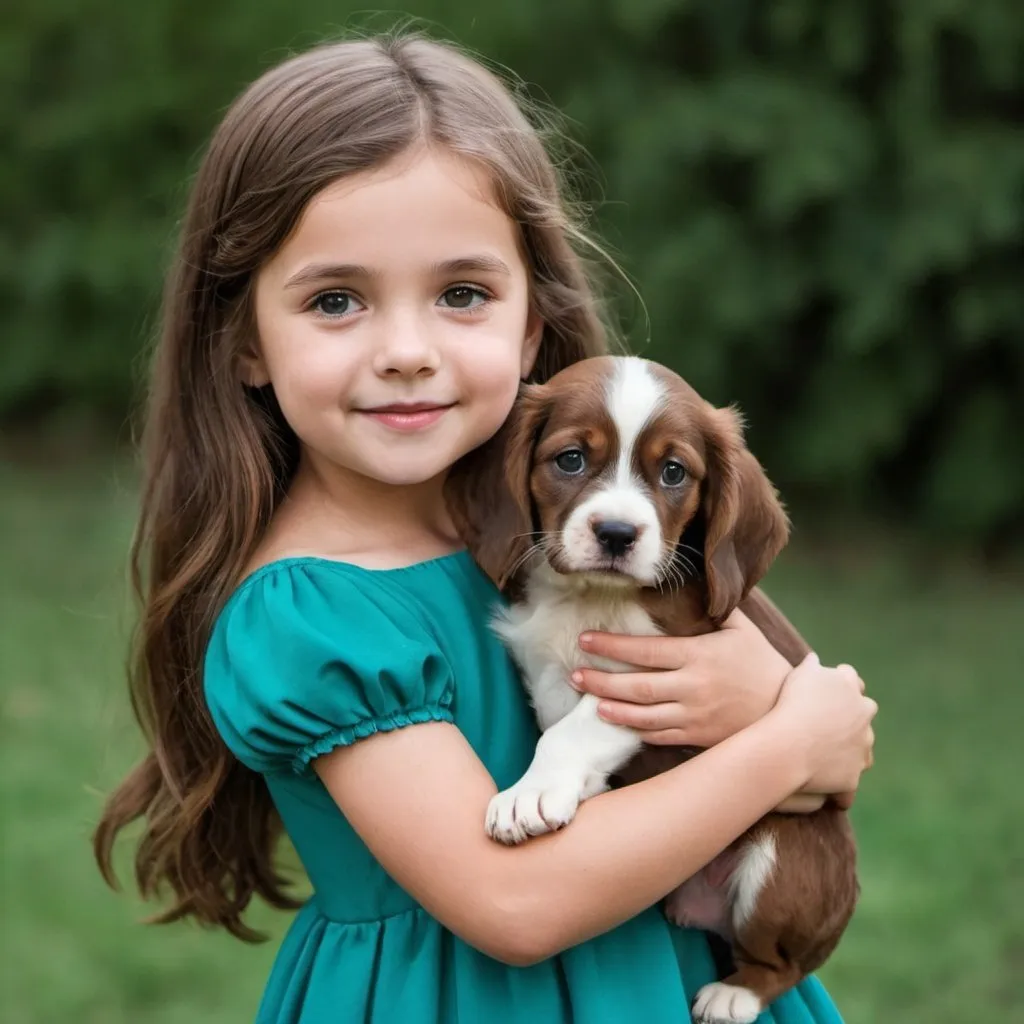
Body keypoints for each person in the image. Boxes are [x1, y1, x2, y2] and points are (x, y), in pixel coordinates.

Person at [94, 32, 877, 1024]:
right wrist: (786, 741)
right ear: (245, 341)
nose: (408, 352)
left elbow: (827, 743)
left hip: (675, 981)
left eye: (461, 294)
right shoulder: (311, 613)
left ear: (530, 327)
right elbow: (512, 900)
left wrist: (775, 698)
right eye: (337, 300)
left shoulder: (546, 531)